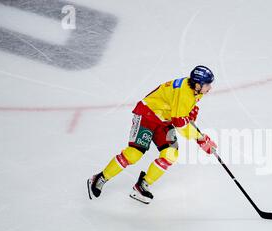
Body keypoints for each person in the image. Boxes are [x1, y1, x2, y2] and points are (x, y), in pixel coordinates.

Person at [87, 66, 217, 204]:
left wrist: (190, 114)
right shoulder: (185, 92)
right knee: (134, 154)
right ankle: (99, 178)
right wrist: (201, 139)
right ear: (198, 84)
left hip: (164, 120)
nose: (210, 88)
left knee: (171, 154)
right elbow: (180, 124)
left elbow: (185, 112)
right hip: (147, 115)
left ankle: (142, 185)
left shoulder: (196, 90)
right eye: (208, 84)